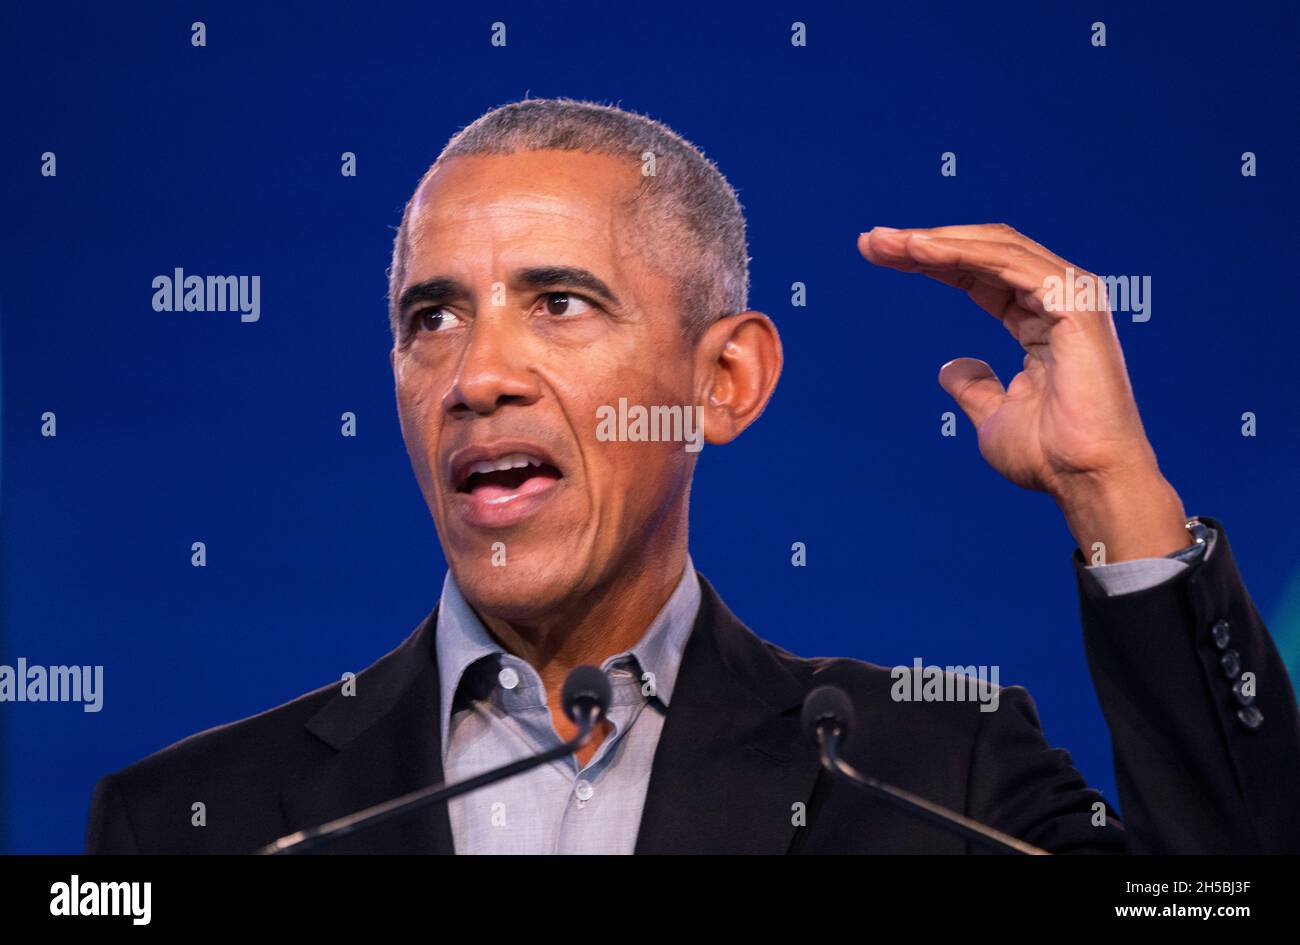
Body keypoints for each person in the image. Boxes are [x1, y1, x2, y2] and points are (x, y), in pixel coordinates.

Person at [86, 98, 1300, 854]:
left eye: (559, 303)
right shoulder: (197, 824)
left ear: (723, 381)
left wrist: (1109, 488)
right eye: (431, 318)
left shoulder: (932, 772)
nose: (477, 374)